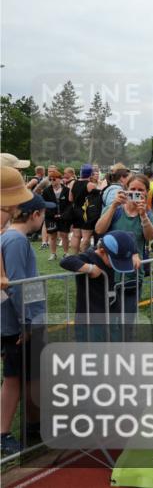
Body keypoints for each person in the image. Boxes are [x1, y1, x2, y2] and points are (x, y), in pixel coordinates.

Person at [1, 193, 52, 456]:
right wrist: (28, 322)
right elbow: (17, 285)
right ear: (35, 215)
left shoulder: (13, 238)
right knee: (14, 377)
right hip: (19, 323)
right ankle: (4, 433)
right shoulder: (15, 240)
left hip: (21, 321)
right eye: (44, 214)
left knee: (28, 375)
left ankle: (34, 424)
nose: (45, 219)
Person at [94, 174, 153, 316]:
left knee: (128, 319)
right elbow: (99, 229)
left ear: (147, 192)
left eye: (140, 190)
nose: (136, 192)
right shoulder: (115, 209)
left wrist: (143, 215)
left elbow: (150, 237)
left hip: (133, 274)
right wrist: (113, 206)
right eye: (132, 189)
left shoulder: (148, 214)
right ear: (126, 190)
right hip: (108, 273)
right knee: (107, 318)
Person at [60, 231, 140, 339]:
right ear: (102, 251)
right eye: (115, 261)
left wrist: (135, 254)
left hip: (111, 315)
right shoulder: (88, 257)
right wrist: (90, 268)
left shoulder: (109, 252)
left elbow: (129, 236)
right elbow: (66, 261)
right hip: (90, 320)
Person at [41, 167, 71, 260]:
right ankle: (53, 254)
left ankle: (66, 253)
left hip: (64, 216)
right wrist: (53, 214)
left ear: (60, 179)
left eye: (54, 179)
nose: (52, 181)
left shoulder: (67, 190)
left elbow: (70, 205)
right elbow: (44, 204)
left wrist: (63, 215)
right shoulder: (46, 191)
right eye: (50, 179)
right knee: (52, 236)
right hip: (51, 217)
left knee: (64, 235)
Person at [69, 164, 99, 256]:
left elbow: (70, 199)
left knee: (76, 236)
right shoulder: (90, 185)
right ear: (90, 174)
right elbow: (96, 200)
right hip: (86, 213)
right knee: (86, 237)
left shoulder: (73, 183)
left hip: (75, 212)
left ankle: (75, 256)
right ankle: (83, 257)